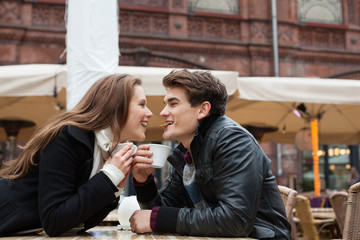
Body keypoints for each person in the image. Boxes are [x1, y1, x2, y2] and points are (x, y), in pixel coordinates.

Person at [130, 69, 291, 239]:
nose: (162, 112)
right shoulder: (186, 153)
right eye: (165, 104)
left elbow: (235, 221)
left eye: (173, 103)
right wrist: (144, 182)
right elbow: (159, 213)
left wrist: (159, 218)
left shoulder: (233, 141)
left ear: (202, 110)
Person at [0, 74, 153, 236]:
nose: (149, 113)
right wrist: (108, 178)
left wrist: (114, 188)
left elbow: (78, 223)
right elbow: (54, 221)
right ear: (117, 107)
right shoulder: (68, 137)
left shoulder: (100, 148)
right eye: (142, 104)